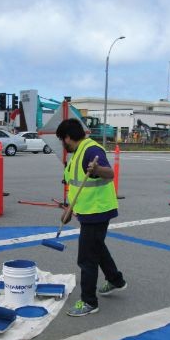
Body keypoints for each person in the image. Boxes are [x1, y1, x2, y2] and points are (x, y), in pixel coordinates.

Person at [55, 118, 127, 316]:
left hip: (98, 211)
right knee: (97, 247)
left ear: (68, 137)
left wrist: (97, 170)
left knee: (87, 257)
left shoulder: (91, 150)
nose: (63, 144)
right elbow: (78, 186)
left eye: (63, 140)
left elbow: (109, 173)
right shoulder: (78, 153)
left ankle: (89, 301)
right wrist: (69, 209)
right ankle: (115, 279)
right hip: (88, 211)